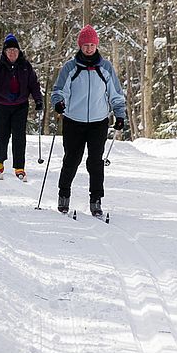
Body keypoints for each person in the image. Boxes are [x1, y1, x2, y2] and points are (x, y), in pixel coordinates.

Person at [51, 25, 126, 216]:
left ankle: (96, 200)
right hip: (73, 121)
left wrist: (119, 114)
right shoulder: (70, 67)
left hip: (98, 122)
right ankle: (64, 195)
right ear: (80, 46)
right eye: (85, 45)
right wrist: (59, 103)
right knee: (71, 160)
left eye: (92, 45)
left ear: (96, 45)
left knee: (95, 162)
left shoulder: (105, 67)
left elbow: (115, 93)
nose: (89, 48)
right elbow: (59, 90)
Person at [0, 33, 43, 181]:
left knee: (19, 137)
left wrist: (38, 100)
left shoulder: (25, 66)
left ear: (19, 52)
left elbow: (34, 84)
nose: (12, 53)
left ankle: (19, 166)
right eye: (9, 50)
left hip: (20, 106)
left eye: (15, 50)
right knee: (2, 136)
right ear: (5, 52)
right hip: (1, 105)